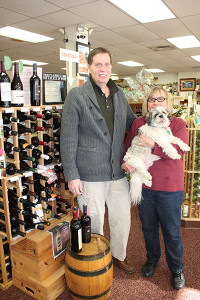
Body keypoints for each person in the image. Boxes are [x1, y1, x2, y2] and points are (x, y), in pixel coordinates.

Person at [60, 47, 136, 273]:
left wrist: (157, 121)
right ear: (89, 68)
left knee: (123, 217)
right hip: (89, 173)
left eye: (107, 64)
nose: (103, 69)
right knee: (93, 221)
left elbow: (133, 124)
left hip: (117, 171)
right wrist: (72, 174)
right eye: (98, 65)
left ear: (112, 66)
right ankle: (97, 259)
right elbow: (68, 138)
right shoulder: (77, 96)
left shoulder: (119, 95)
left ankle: (119, 255)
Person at [122, 86, 188, 289]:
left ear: (167, 103)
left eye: (161, 99)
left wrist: (152, 144)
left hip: (170, 188)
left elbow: (178, 150)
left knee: (171, 232)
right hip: (146, 186)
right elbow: (127, 146)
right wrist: (124, 163)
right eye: (152, 99)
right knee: (148, 228)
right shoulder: (138, 123)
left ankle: (177, 269)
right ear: (146, 103)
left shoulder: (177, 124)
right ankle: (152, 260)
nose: (156, 102)